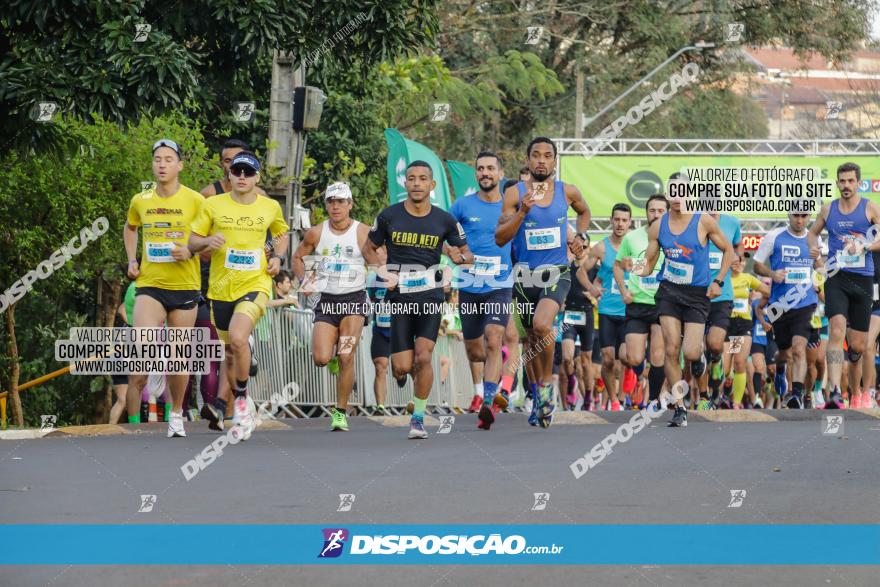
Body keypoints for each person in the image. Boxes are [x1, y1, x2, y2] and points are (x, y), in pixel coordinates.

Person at [365, 160, 473, 439]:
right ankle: (410, 383)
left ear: (432, 185)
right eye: (411, 178)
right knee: (402, 366)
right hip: (400, 298)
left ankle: (418, 419)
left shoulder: (444, 220)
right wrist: (381, 271)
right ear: (405, 183)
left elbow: (467, 254)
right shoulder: (389, 216)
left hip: (430, 297)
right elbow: (369, 247)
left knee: (424, 357)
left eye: (423, 179)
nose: (416, 183)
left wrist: (455, 257)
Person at [189, 151, 289, 438]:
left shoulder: (269, 206)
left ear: (257, 177)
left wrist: (277, 257)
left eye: (248, 172)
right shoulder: (213, 205)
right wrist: (208, 240)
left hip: (255, 285)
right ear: (229, 176)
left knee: (237, 337)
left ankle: (242, 402)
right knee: (230, 351)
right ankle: (227, 403)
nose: (242, 177)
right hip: (220, 289)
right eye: (237, 172)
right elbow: (193, 240)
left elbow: (281, 234)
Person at [496, 137, 591, 428]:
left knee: (541, 326)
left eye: (547, 156)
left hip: (557, 273)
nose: (541, 160)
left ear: (554, 161)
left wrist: (581, 237)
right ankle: (538, 395)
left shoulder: (567, 191)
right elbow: (500, 236)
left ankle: (547, 388)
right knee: (532, 342)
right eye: (535, 155)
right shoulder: (515, 194)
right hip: (524, 277)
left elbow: (584, 213)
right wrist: (523, 212)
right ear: (527, 160)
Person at [123, 139, 205, 437]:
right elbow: (130, 227)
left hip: (184, 287)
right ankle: (137, 420)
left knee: (179, 358)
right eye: (157, 159)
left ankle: (177, 414)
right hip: (150, 285)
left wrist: (192, 250)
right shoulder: (141, 200)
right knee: (144, 349)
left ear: (179, 165)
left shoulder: (196, 201)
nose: (162, 164)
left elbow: (210, 241)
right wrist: (132, 259)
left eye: (168, 159)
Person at [641, 188, 734, 428]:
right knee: (671, 348)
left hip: (697, 294)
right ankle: (680, 407)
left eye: (680, 193)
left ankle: (700, 356)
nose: (676, 198)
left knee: (690, 352)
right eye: (672, 193)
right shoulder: (658, 226)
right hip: (669, 292)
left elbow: (729, 250)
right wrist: (636, 267)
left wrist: (719, 281)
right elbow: (648, 266)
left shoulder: (703, 220)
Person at [292, 181, 379, 431]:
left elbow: (377, 258)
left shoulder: (362, 231)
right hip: (327, 303)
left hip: (354, 302)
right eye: (331, 202)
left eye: (341, 201)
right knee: (320, 358)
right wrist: (304, 279)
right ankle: (333, 352)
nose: (336, 206)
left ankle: (340, 412)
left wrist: (384, 273)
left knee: (346, 355)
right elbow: (298, 257)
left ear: (350, 204)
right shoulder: (316, 232)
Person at [449, 151, 515, 430]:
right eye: (480, 169)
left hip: (500, 284)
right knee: (476, 351)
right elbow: (442, 234)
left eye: (490, 168)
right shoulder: (462, 206)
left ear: (500, 174)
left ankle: (488, 402)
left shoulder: (512, 208)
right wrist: (451, 251)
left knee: (494, 337)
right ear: (476, 174)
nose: (485, 173)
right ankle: (495, 363)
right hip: (469, 285)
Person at [807, 162, 880, 409]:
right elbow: (812, 233)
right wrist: (815, 254)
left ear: (858, 182)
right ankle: (836, 392)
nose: (846, 185)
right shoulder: (828, 210)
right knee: (836, 329)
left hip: (862, 279)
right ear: (837, 183)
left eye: (850, 181)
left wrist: (865, 246)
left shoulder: (869, 207)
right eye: (842, 181)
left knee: (858, 347)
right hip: (835, 277)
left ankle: (856, 389)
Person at [614, 193, 668, 408]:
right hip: (637, 303)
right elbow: (620, 265)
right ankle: (639, 377)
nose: (656, 214)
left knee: (657, 355)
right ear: (646, 212)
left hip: (663, 303)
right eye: (652, 210)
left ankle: (653, 400)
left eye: (660, 210)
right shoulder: (632, 237)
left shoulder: (673, 237)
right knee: (634, 358)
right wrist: (623, 290)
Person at [580, 203, 631, 411]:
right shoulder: (601, 247)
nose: (620, 224)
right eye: (616, 219)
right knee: (609, 360)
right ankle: (615, 401)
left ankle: (623, 394)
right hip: (608, 310)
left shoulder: (636, 246)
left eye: (624, 220)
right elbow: (580, 272)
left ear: (629, 223)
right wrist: (592, 288)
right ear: (611, 221)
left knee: (627, 359)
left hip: (630, 311)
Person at [727, 254, 769, 408]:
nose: (738, 263)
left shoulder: (748, 278)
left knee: (739, 363)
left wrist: (759, 306)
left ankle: (736, 403)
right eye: (735, 260)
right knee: (726, 369)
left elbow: (769, 292)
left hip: (742, 325)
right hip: (726, 324)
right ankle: (723, 393)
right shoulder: (724, 279)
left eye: (742, 261)